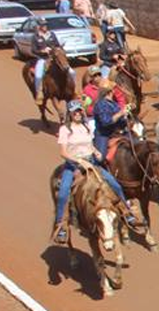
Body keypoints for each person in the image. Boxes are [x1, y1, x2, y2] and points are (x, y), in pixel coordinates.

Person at [51, 101, 134, 245]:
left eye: (79, 111)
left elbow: (89, 145)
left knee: (114, 183)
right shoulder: (65, 129)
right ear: (70, 114)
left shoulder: (86, 126)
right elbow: (63, 153)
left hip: (91, 162)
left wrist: (96, 152)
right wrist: (78, 161)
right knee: (64, 192)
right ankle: (61, 225)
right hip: (73, 165)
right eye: (75, 112)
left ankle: (126, 212)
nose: (77, 114)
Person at [91, 78, 128, 159]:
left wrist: (126, 116)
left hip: (117, 132)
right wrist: (120, 113)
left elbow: (121, 121)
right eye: (113, 88)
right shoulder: (100, 104)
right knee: (100, 158)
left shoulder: (114, 104)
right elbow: (106, 121)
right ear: (110, 91)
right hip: (104, 134)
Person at [30, 19, 62, 102]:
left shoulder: (52, 34)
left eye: (46, 25)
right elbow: (33, 50)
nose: (45, 27)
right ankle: (39, 93)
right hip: (42, 59)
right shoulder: (35, 37)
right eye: (43, 25)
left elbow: (57, 45)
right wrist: (42, 51)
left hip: (53, 58)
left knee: (70, 71)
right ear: (39, 27)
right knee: (38, 76)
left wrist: (56, 49)